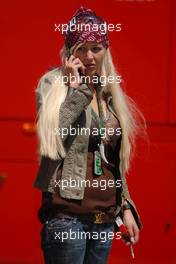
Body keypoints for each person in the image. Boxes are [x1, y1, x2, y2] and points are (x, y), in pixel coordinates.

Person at [33, 6, 147, 264]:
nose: (89, 56)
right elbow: (53, 139)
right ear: (69, 52)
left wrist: (125, 208)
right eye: (81, 49)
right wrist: (79, 91)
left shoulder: (108, 92)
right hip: (67, 219)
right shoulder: (52, 85)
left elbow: (114, 161)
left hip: (103, 220)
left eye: (96, 48)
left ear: (105, 51)